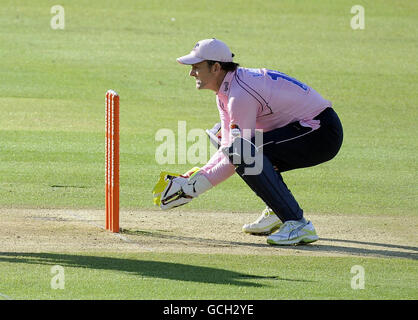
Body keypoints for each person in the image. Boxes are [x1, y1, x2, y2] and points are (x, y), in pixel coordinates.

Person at [158, 38, 343, 245]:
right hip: (305, 128)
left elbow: (238, 154)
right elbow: (229, 146)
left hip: (321, 133)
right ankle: (278, 209)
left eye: (196, 67)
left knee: (246, 153)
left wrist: (193, 188)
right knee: (226, 140)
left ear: (216, 67)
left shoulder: (239, 95)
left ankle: (298, 224)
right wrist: (195, 176)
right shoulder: (226, 90)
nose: (191, 73)